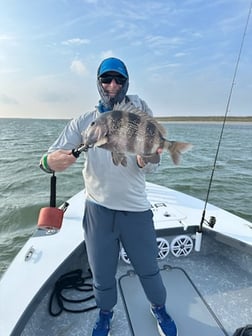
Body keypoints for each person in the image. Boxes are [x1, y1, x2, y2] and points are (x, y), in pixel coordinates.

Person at [40, 57, 178, 336]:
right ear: (99, 83)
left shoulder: (140, 112)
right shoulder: (84, 122)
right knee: (102, 274)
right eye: (106, 79)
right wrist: (51, 162)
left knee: (148, 269)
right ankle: (105, 314)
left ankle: (159, 308)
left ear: (126, 83)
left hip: (136, 209)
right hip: (98, 211)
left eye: (118, 80)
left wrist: (145, 159)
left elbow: (151, 165)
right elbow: (46, 158)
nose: (112, 85)